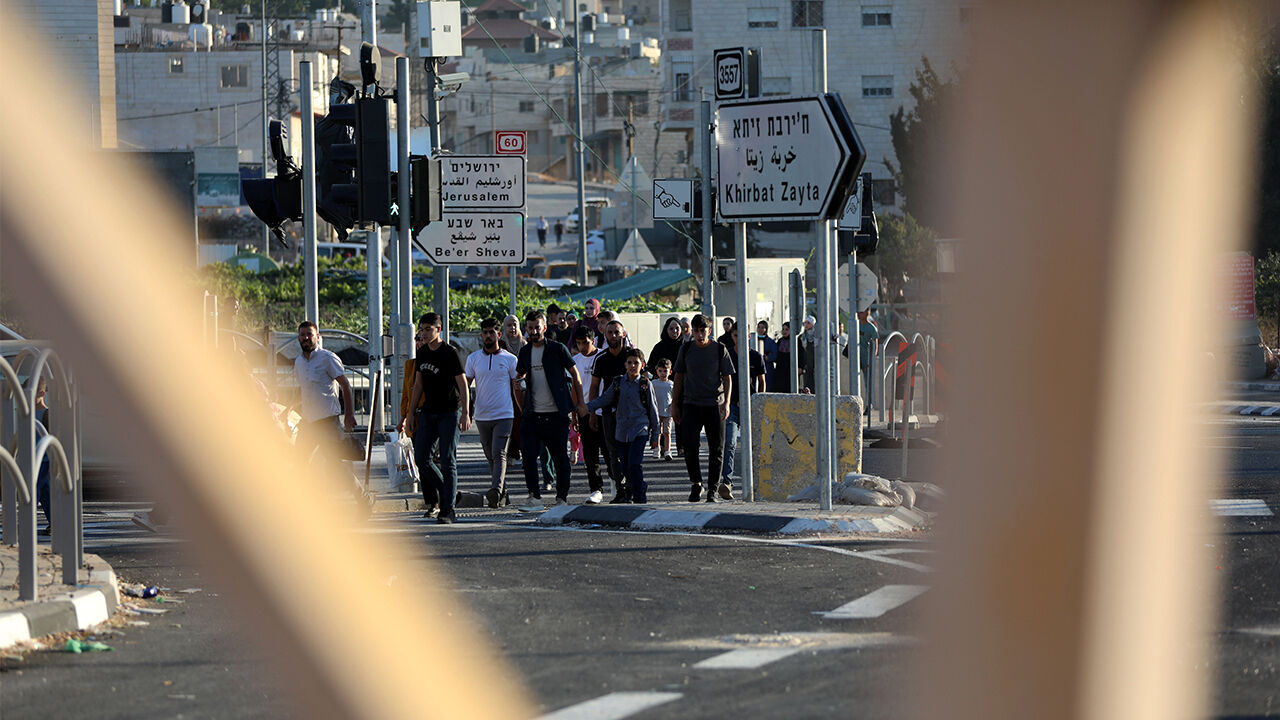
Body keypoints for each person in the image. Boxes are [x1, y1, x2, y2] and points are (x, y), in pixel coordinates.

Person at [400, 313, 470, 524]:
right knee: (422, 458)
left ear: (439, 330)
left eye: (429, 329)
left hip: (450, 411)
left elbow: (463, 384)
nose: (424, 333)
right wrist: (410, 414)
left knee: (448, 459)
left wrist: (466, 413)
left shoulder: (450, 353)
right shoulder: (422, 354)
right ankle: (450, 493)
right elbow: (418, 385)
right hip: (428, 412)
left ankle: (448, 509)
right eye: (422, 329)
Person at [514, 310, 585, 509]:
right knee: (528, 456)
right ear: (525, 329)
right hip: (532, 416)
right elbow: (517, 380)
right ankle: (534, 497)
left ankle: (561, 499)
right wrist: (523, 409)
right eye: (530, 328)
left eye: (537, 327)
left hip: (556, 415)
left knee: (560, 457)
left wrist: (579, 405)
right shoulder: (525, 351)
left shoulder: (557, 349)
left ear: (545, 327)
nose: (534, 331)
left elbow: (575, 376)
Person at [583, 348, 659, 504]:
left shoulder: (645, 385)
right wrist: (587, 407)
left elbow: (653, 410)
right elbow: (604, 399)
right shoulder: (618, 382)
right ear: (625, 364)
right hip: (622, 430)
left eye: (636, 363)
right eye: (629, 363)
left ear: (642, 365)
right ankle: (632, 489)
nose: (632, 366)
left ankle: (639, 495)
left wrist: (655, 435)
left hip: (640, 430)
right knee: (623, 465)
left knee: (634, 463)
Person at [672, 314, 734, 502]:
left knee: (717, 448)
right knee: (690, 446)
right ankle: (696, 483)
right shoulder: (686, 349)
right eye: (696, 331)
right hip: (691, 404)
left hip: (714, 404)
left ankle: (712, 490)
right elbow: (679, 377)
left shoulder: (719, 349)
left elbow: (727, 377)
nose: (699, 335)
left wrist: (727, 402)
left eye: (703, 330)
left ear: (709, 330)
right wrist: (675, 404)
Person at [466, 317, 521, 509]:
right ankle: (502, 493)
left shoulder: (510, 359)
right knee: (490, 456)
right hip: (482, 416)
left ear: (499, 335)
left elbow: (518, 386)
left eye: (492, 332)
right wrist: (465, 411)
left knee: (499, 453)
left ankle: (495, 490)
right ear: (481, 335)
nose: (488, 336)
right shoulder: (473, 359)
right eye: (485, 332)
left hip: (504, 414)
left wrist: (522, 410)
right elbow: (465, 385)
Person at [587, 319, 633, 502]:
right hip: (608, 412)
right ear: (604, 335)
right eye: (610, 332)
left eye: (616, 332)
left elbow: (644, 383)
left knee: (629, 452)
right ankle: (619, 489)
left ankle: (632, 488)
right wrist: (592, 413)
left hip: (630, 413)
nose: (614, 335)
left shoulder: (632, 355)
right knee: (613, 453)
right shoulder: (601, 358)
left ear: (623, 333)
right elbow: (594, 387)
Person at [720, 322, 766, 498]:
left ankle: (756, 482)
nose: (739, 339)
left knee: (753, 445)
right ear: (732, 336)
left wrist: (759, 402)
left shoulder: (755, 356)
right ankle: (727, 482)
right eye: (735, 335)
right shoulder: (728, 355)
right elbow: (723, 379)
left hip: (751, 405)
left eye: (743, 335)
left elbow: (761, 381)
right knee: (730, 442)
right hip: (732, 405)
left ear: (749, 336)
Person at [571, 327, 611, 504]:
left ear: (593, 341)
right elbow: (573, 388)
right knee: (589, 453)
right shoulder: (574, 361)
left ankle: (617, 482)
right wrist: (574, 413)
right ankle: (596, 489)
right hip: (584, 412)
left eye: (585, 343)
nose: (582, 347)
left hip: (604, 411)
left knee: (609, 451)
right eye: (578, 343)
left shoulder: (603, 356)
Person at [399, 329, 428, 437]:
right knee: (418, 451)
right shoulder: (410, 365)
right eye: (417, 339)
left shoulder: (438, 362)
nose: (419, 343)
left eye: (423, 339)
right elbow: (406, 394)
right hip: (415, 417)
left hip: (432, 416)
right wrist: (403, 419)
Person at [651, 358, 675, 461]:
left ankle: (667, 451)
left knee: (667, 432)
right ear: (656, 371)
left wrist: (673, 407)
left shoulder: (671, 384)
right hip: (656, 411)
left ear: (670, 372)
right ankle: (656, 449)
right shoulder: (654, 383)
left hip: (667, 412)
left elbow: (674, 397)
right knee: (657, 432)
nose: (662, 373)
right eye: (660, 371)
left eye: (665, 371)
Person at [774, 321, 806, 393]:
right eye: (783, 329)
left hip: (791, 369)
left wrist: (800, 367)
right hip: (781, 370)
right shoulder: (780, 341)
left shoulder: (796, 341)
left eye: (787, 329)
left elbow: (801, 355)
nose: (784, 331)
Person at [754, 320, 778, 390]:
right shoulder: (752, 340)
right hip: (755, 367)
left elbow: (775, 354)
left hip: (767, 367)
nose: (760, 329)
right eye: (759, 327)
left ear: (766, 329)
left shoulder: (770, 341)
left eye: (762, 327)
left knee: (766, 386)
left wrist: (767, 358)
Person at [802, 315, 817, 393]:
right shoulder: (803, 336)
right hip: (807, 363)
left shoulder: (817, 336)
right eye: (805, 323)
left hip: (816, 362)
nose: (806, 325)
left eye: (808, 323)